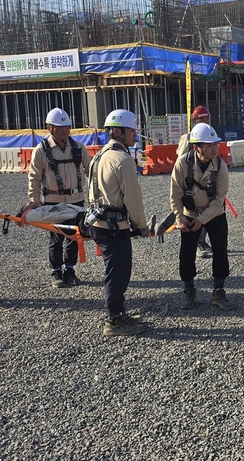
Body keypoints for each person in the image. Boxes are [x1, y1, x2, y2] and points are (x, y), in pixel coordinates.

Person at [88, 109, 151, 336]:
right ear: (118, 131)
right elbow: (133, 198)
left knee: (115, 271)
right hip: (114, 227)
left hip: (100, 223)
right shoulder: (123, 160)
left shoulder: (100, 155)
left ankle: (119, 312)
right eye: (131, 130)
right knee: (117, 273)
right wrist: (141, 225)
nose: (134, 134)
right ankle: (114, 321)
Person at [170, 121, 233, 311]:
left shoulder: (220, 167)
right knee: (186, 254)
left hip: (214, 214)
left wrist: (201, 221)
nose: (214, 148)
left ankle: (219, 291)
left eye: (215, 144)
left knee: (220, 251)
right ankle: (189, 290)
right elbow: (175, 194)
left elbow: (218, 201)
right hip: (189, 214)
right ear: (197, 147)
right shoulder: (183, 164)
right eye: (209, 145)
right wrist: (180, 219)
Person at [26, 107, 92, 288]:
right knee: (56, 237)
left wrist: (95, 196)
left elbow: (91, 171)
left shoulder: (78, 148)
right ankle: (56, 272)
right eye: (59, 127)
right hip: (53, 201)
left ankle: (70, 270)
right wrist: (35, 201)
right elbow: (34, 177)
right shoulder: (41, 150)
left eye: (67, 127)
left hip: (76, 199)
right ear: (49, 127)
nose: (64, 130)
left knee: (74, 236)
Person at [177, 105, 213, 258]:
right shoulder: (188, 138)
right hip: (192, 184)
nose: (204, 122)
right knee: (194, 215)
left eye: (206, 119)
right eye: (201, 119)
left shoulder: (211, 136)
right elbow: (181, 161)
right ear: (195, 121)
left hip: (207, 183)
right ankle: (198, 245)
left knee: (209, 214)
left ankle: (203, 242)